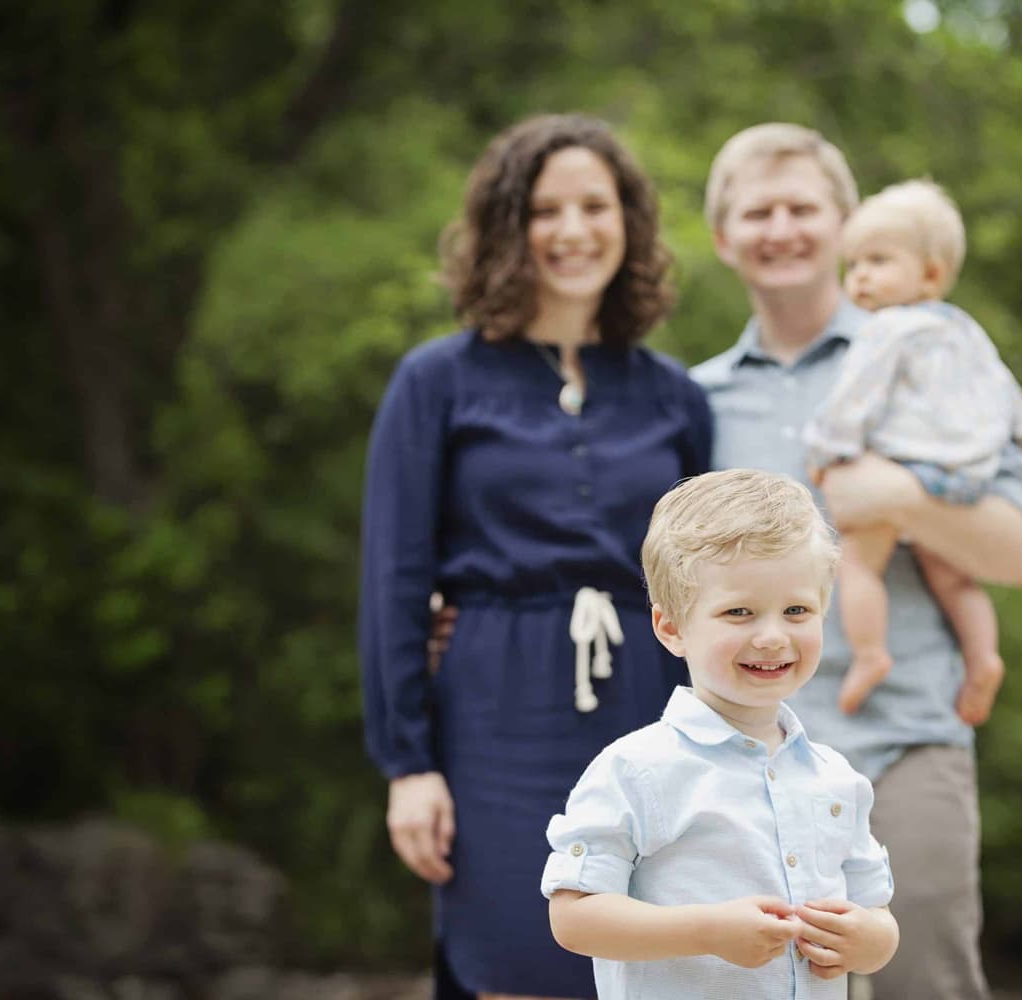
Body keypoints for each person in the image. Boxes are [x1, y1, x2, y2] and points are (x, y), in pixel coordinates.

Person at [359, 113, 713, 1000]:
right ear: (507, 228)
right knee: (514, 957)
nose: (572, 230)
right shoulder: (435, 382)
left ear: (627, 223)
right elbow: (395, 581)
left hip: (650, 701)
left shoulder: (674, 395)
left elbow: (713, 582)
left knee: (648, 962)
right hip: (493, 700)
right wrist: (408, 764)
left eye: (595, 205)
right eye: (545, 209)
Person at [692, 123, 1022, 999]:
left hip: (904, 739)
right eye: (757, 211)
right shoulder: (690, 402)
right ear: (721, 235)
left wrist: (900, 501)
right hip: (734, 761)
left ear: (846, 225)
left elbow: (1020, 553)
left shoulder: (932, 353)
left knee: (927, 983)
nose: (781, 228)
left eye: (802, 208)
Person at [542, 469, 900, 999]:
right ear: (672, 628)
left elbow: (878, 918)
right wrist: (707, 931)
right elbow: (573, 919)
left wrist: (866, 941)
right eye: (739, 612)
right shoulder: (636, 769)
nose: (773, 636)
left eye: (797, 610)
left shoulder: (836, 780)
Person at [805, 179, 1022, 729]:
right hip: (968, 475)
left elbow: (854, 400)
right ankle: (983, 657)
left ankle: (871, 653)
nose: (862, 276)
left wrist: (827, 452)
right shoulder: (964, 328)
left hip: (906, 467)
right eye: (854, 265)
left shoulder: (884, 332)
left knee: (856, 564)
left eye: (878, 260)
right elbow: (1001, 385)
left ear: (930, 273)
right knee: (952, 575)